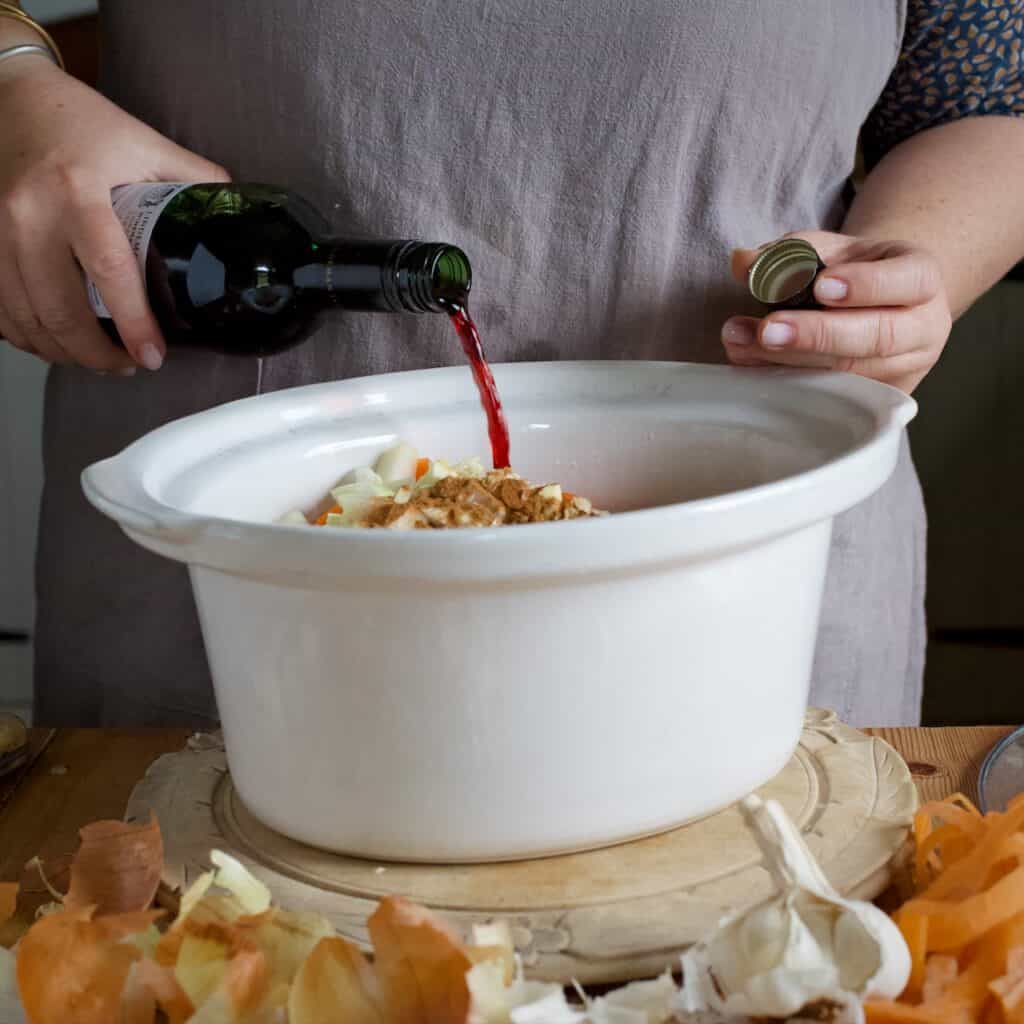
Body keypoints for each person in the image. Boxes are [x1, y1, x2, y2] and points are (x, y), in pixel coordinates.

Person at [1, 1, 1022, 728]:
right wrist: (12, 84)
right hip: (241, 594)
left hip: (745, 585)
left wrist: (913, 264)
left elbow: (988, 91)